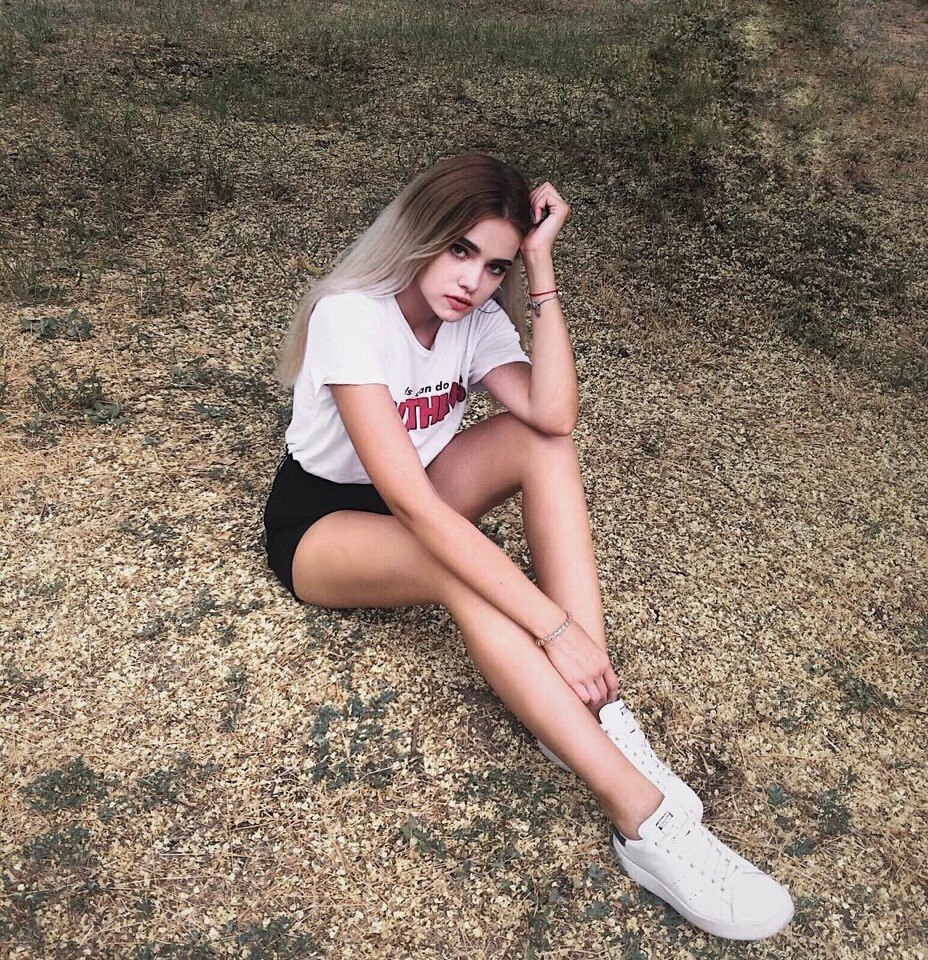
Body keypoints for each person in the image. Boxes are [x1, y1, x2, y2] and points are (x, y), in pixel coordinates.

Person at [264, 152, 794, 940]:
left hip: (423, 492)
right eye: (460, 250)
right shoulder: (353, 316)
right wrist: (553, 626)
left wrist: (541, 270)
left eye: (494, 266)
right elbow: (415, 509)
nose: (472, 281)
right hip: (324, 524)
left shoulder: (476, 319)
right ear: (422, 232)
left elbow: (553, 413)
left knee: (543, 446)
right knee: (463, 572)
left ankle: (594, 711)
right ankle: (642, 818)